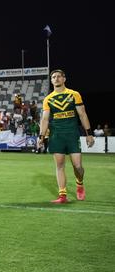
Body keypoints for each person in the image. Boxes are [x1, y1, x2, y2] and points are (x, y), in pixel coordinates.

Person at [38, 69, 94, 203]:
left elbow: (82, 114)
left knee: (78, 166)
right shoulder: (48, 99)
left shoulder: (74, 94)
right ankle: (62, 195)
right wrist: (41, 137)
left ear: (64, 79)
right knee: (60, 165)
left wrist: (89, 134)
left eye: (58, 76)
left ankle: (79, 183)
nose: (56, 79)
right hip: (56, 135)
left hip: (72, 134)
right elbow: (45, 119)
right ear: (51, 81)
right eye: (53, 77)